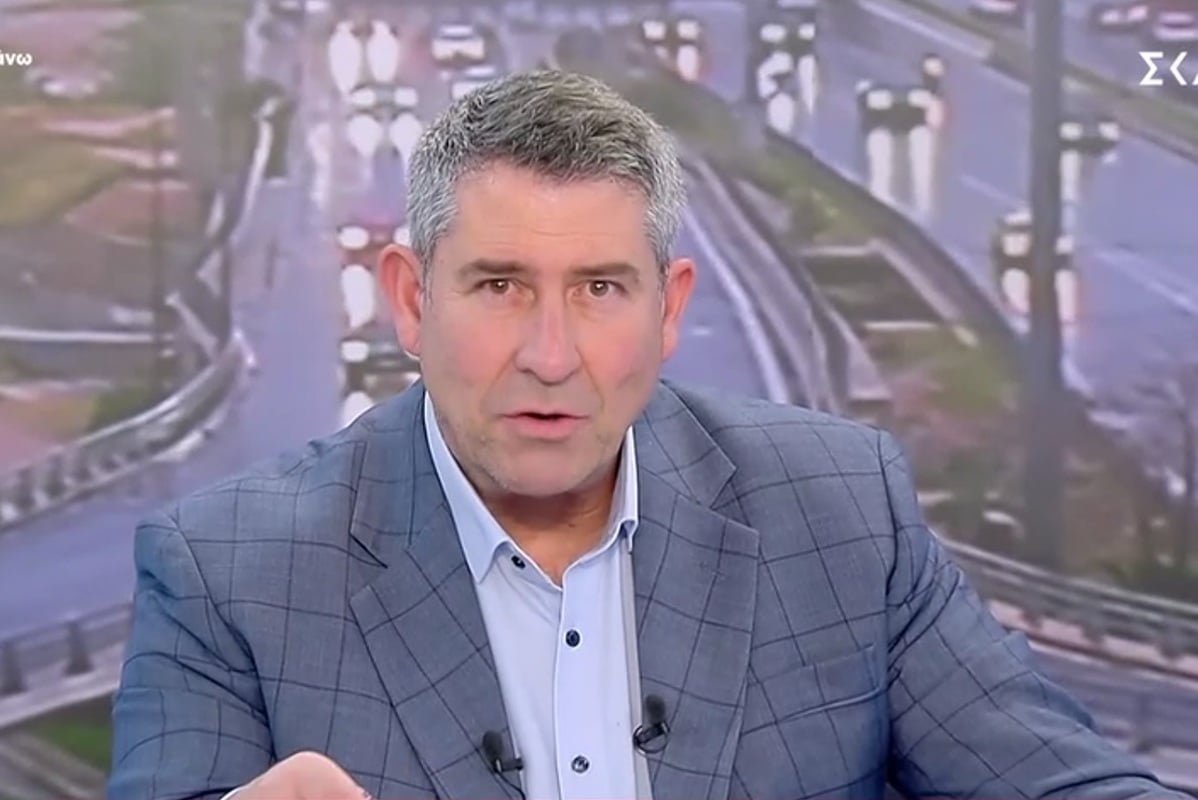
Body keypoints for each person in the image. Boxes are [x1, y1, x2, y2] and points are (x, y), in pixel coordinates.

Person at [106, 69, 1190, 800]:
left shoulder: (842, 512)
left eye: (599, 289)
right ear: (410, 297)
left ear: (669, 308)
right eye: (498, 286)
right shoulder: (224, 572)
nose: (550, 354)